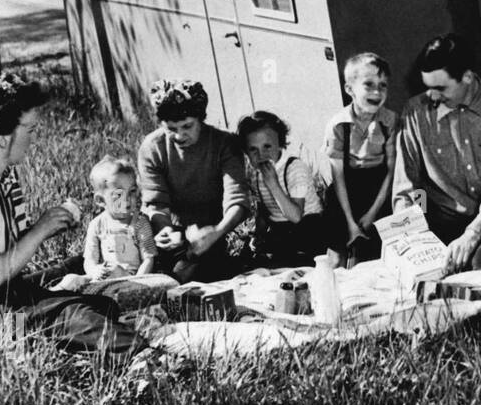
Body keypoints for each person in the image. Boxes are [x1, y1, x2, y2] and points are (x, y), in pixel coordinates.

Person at [0, 76, 145, 359]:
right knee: (69, 315)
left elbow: (12, 249)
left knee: (102, 306)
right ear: (4, 138)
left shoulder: (3, 174)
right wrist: (40, 231)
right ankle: (145, 355)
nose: (34, 138)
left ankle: (85, 339)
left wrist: (51, 225)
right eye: (30, 130)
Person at [392, 34, 481, 274]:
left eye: (440, 88)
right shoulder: (415, 113)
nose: (432, 97)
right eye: (427, 88)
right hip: (438, 225)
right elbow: (410, 188)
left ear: (467, 77)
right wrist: (416, 236)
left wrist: (473, 234)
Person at [138, 79, 249, 283]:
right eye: (171, 128)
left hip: (211, 232)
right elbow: (155, 202)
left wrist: (217, 231)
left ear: (201, 119)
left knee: (197, 274)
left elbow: (237, 200)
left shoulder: (224, 144)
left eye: (187, 126)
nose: (180, 135)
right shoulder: (152, 147)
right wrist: (165, 230)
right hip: (170, 234)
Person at [322, 53, 397, 266]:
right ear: (349, 90)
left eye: (383, 85)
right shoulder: (338, 125)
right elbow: (338, 176)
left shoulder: (390, 121)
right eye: (369, 84)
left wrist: (372, 213)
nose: (377, 92)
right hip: (346, 190)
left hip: (379, 190)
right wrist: (350, 222)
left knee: (372, 256)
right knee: (337, 254)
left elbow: (392, 171)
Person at [237, 110, 324, 266]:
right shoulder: (255, 174)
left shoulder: (294, 168)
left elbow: (296, 216)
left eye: (267, 147)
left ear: (280, 144)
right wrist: (258, 236)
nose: (261, 155)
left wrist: (273, 184)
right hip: (280, 230)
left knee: (297, 264)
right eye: (253, 150)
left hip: (307, 228)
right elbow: (263, 210)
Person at [81, 155, 158, 280]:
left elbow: (148, 259)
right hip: (104, 276)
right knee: (72, 279)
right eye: (119, 194)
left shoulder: (139, 222)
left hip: (132, 278)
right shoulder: (97, 225)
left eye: (132, 191)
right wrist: (95, 270)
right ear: (101, 200)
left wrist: (137, 282)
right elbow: (89, 260)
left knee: (114, 270)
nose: (128, 199)